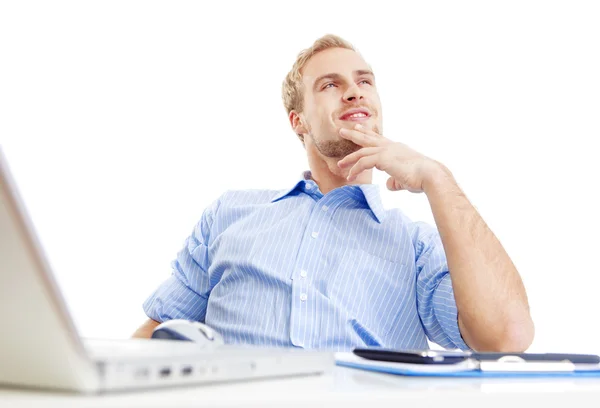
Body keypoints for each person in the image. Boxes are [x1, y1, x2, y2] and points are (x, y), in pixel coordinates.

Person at [133, 34, 534, 352]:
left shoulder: (416, 247)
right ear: (298, 121)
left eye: (365, 81)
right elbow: (154, 336)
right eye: (330, 84)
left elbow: (507, 337)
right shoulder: (229, 214)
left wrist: (438, 178)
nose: (355, 92)